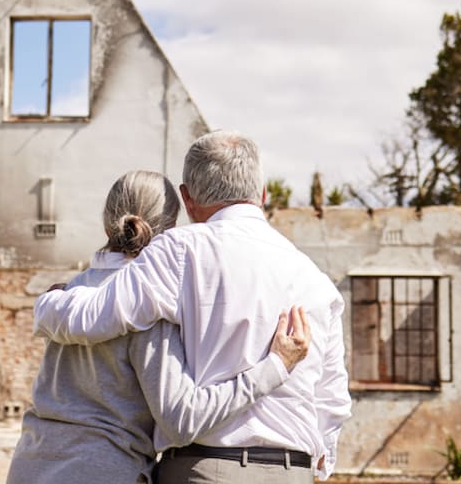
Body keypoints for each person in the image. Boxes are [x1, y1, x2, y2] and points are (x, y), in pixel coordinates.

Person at [34, 132, 352, 482]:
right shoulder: (318, 281)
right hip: (295, 471)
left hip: (204, 467)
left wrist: (51, 302)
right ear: (262, 195)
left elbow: (89, 319)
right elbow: (333, 402)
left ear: (188, 199)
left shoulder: (179, 251)